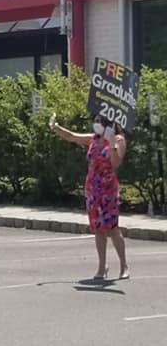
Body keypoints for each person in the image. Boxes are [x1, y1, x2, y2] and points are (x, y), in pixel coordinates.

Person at [51, 113, 129, 280]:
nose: (96, 125)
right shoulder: (93, 139)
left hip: (109, 189)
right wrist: (56, 127)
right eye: (95, 122)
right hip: (93, 189)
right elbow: (72, 136)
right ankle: (102, 266)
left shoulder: (118, 140)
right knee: (98, 229)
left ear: (109, 124)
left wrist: (113, 144)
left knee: (113, 228)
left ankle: (123, 265)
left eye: (99, 122)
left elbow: (116, 164)